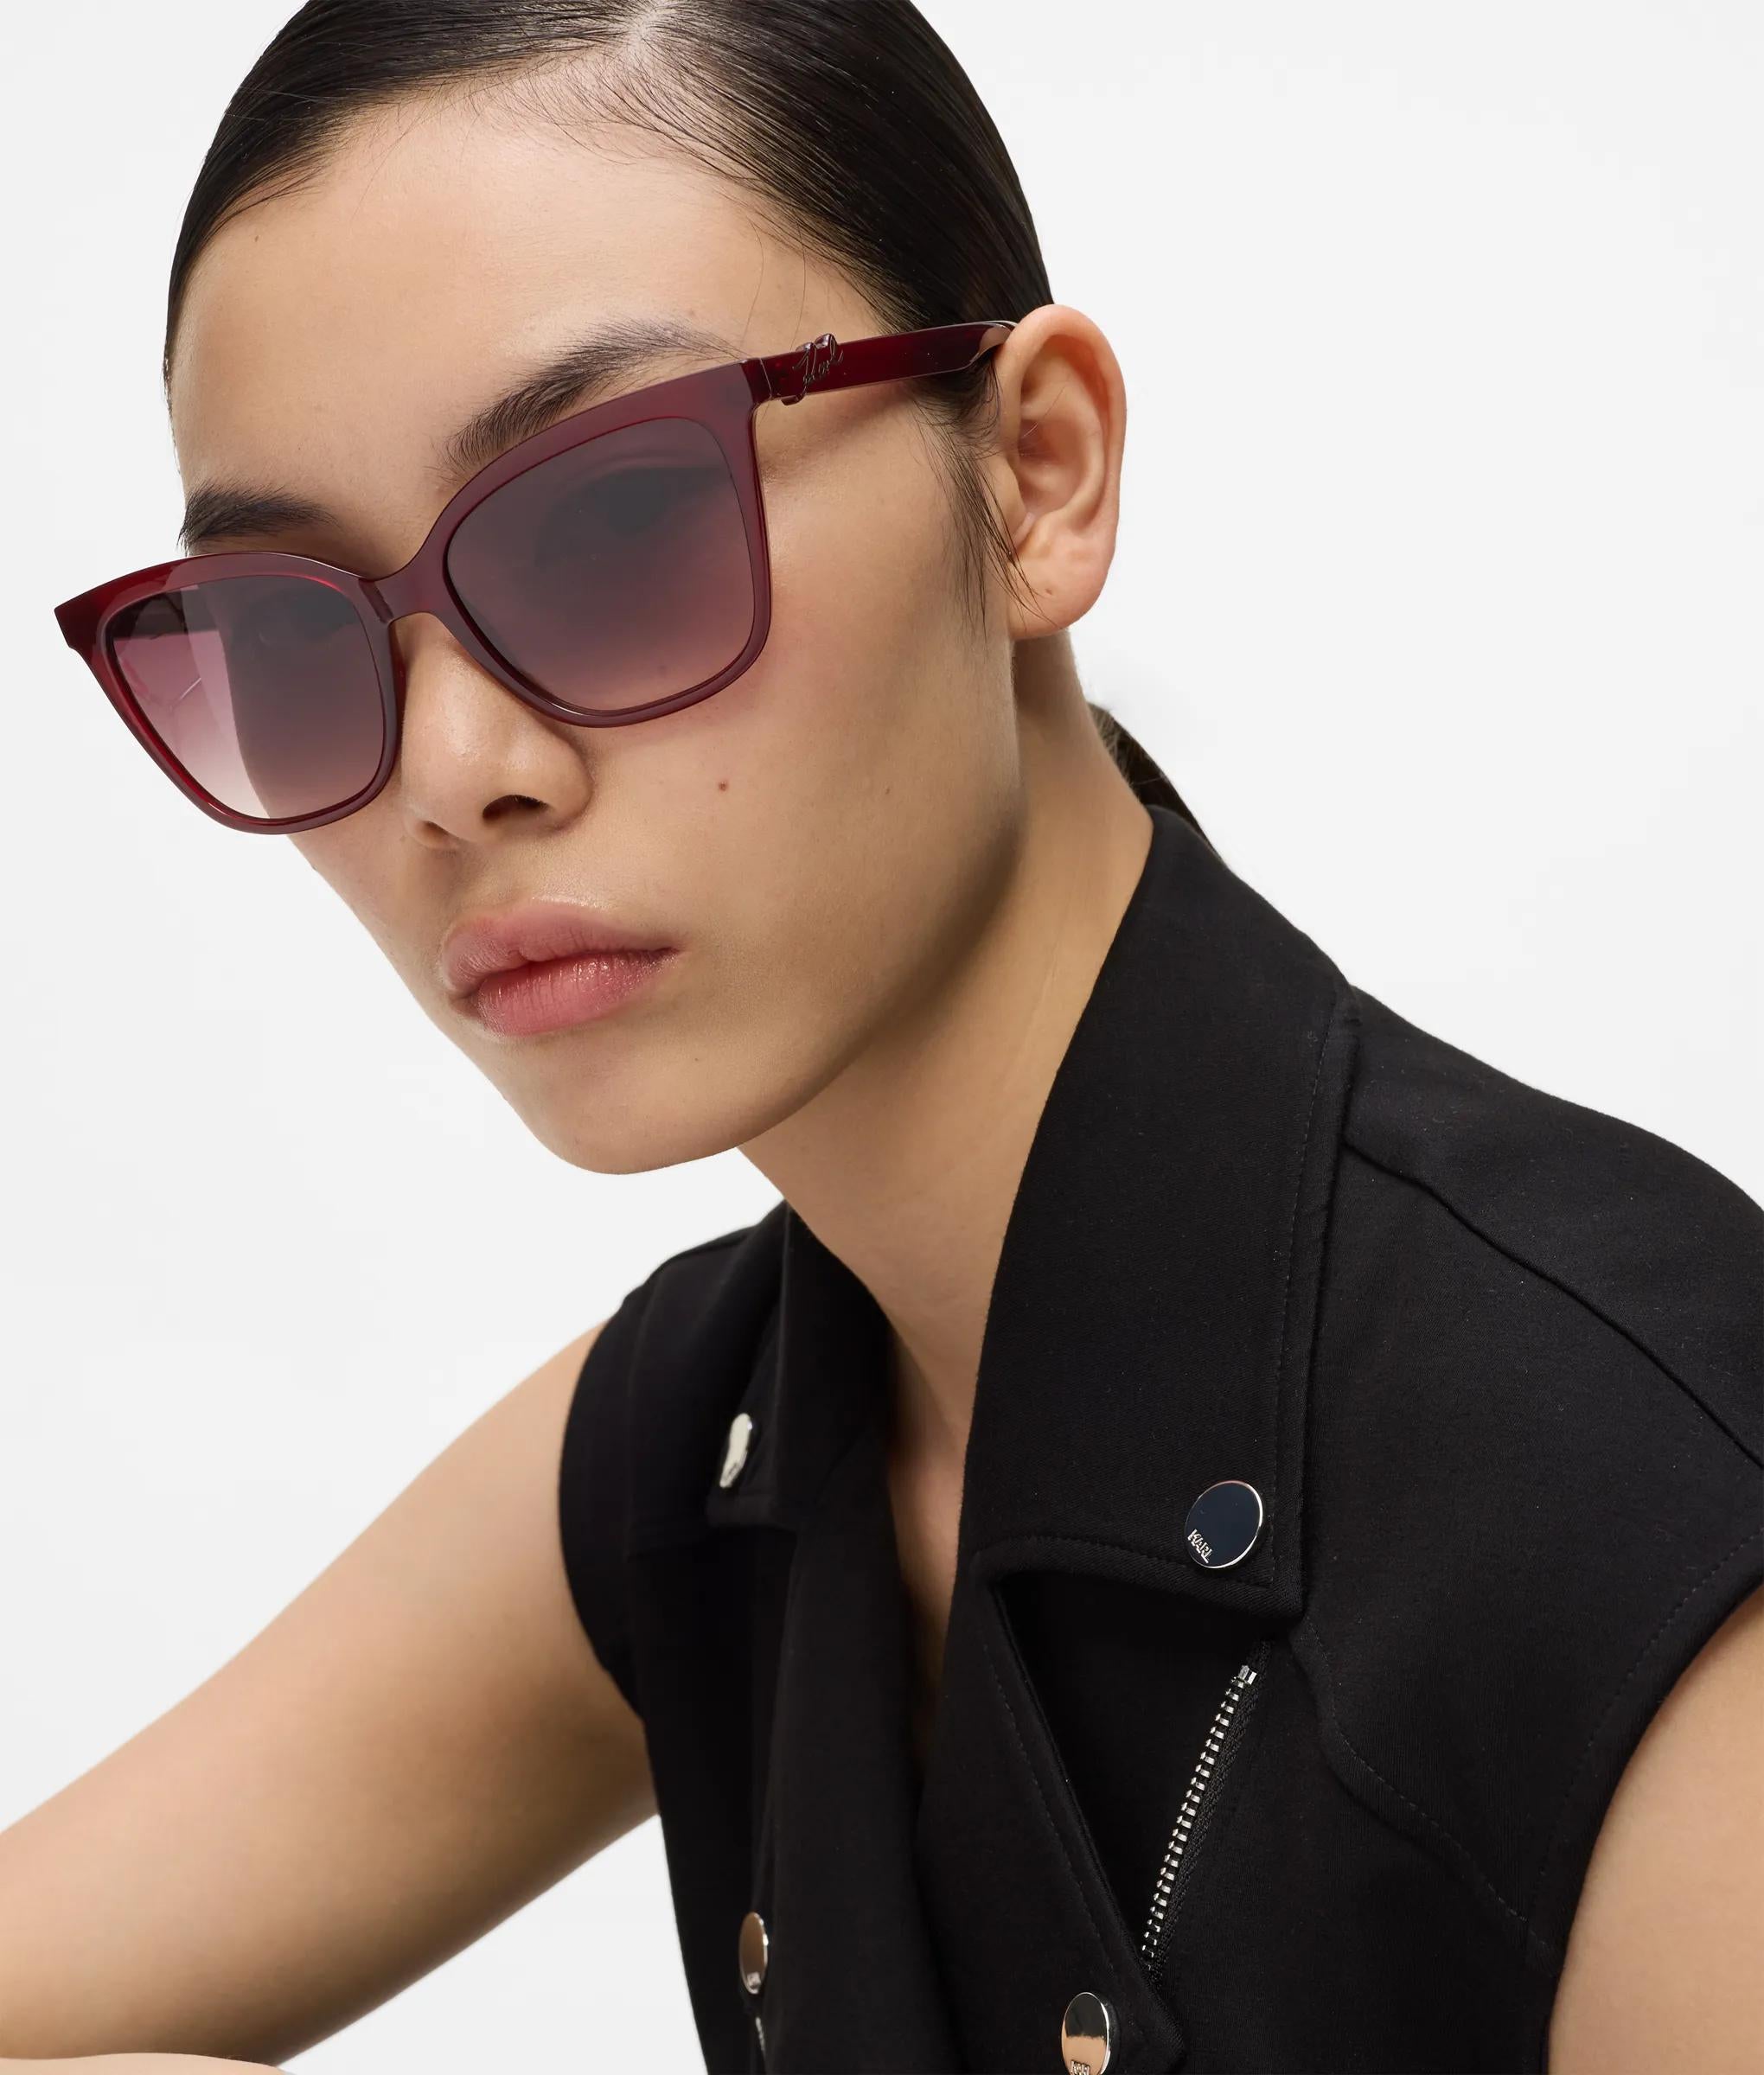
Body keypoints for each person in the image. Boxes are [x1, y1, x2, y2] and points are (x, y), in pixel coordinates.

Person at [13, 3, 1761, 2071]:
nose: (453, 770)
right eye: (289, 632)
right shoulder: (719, 1434)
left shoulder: (1646, 1529)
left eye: (613, 524)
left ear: (1036, 476)